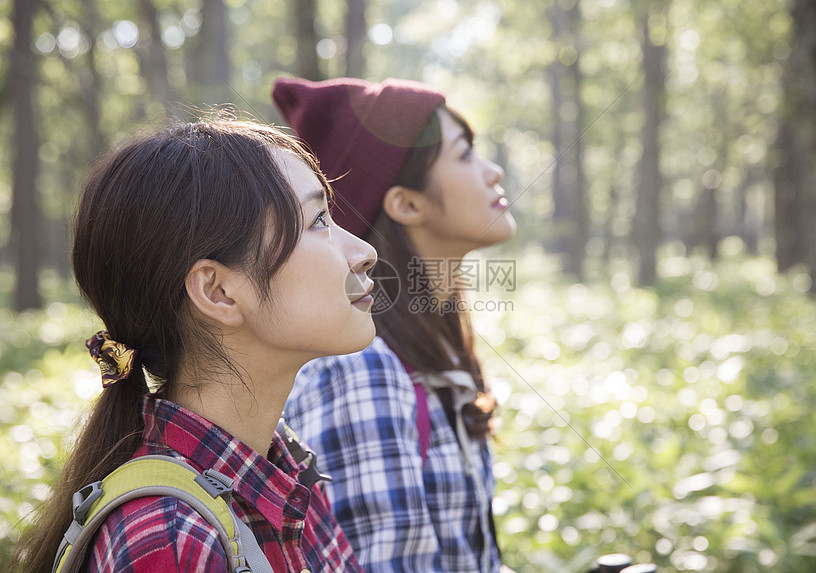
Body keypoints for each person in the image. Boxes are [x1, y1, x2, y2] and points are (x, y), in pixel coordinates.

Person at [19, 119, 377, 572]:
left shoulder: (284, 467)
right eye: (318, 222)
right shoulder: (170, 540)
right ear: (218, 292)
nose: (363, 250)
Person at [273, 78, 516, 572]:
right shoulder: (363, 370)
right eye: (465, 154)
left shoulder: (433, 351)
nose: (494, 173)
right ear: (406, 203)